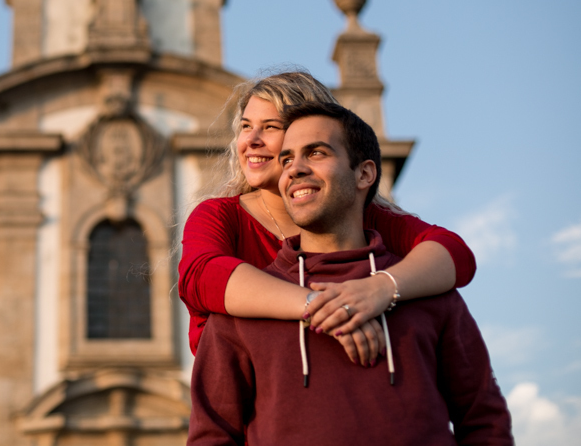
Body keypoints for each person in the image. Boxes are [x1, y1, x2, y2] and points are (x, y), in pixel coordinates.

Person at [187, 102, 512, 445]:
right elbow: (212, 437)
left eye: (315, 153)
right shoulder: (238, 312)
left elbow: (483, 421)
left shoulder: (428, 290)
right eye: (285, 159)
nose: (295, 169)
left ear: (364, 174)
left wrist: (382, 288)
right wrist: (321, 306)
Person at [179, 71, 477, 364]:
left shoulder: (361, 215)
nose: (251, 140)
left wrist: (379, 289)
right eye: (246, 126)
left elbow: (454, 253)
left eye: (270, 127)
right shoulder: (221, 215)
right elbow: (202, 277)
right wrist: (323, 308)